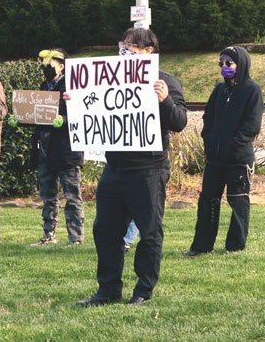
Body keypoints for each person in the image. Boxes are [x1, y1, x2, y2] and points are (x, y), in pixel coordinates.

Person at [76, 27, 188, 307]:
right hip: (114, 168)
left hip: (149, 169)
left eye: (130, 46)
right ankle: (108, 290)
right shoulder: (108, 79)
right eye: (122, 45)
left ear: (149, 51)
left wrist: (165, 100)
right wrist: (75, 103)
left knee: (149, 232)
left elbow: (179, 122)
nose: (124, 50)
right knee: (105, 230)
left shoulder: (165, 82)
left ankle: (143, 291)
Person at [184, 45, 263, 257]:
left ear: (241, 64)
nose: (224, 67)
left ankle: (235, 245)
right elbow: (208, 117)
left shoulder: (252, 90)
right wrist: (209, 141)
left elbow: (252, 125)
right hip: (215, 158)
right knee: (208, 200)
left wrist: (232, 145)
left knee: (238, 200)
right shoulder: (219, 91)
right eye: (221, 63)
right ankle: (201, 245)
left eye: (229, 63)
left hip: (238, 158)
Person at [30, 48, 84, 247]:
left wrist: (65, 119)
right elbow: (36, 115)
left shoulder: (74, 88)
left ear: (61, 66)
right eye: (43, 66)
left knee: (72, 194)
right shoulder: (43, 87)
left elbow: (85, 113)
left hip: (67, 149)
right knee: (48, 195)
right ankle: (48, 234)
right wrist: (21, 119)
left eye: (50, 65)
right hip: (45, 148)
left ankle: (76, 237)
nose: (46, 69)